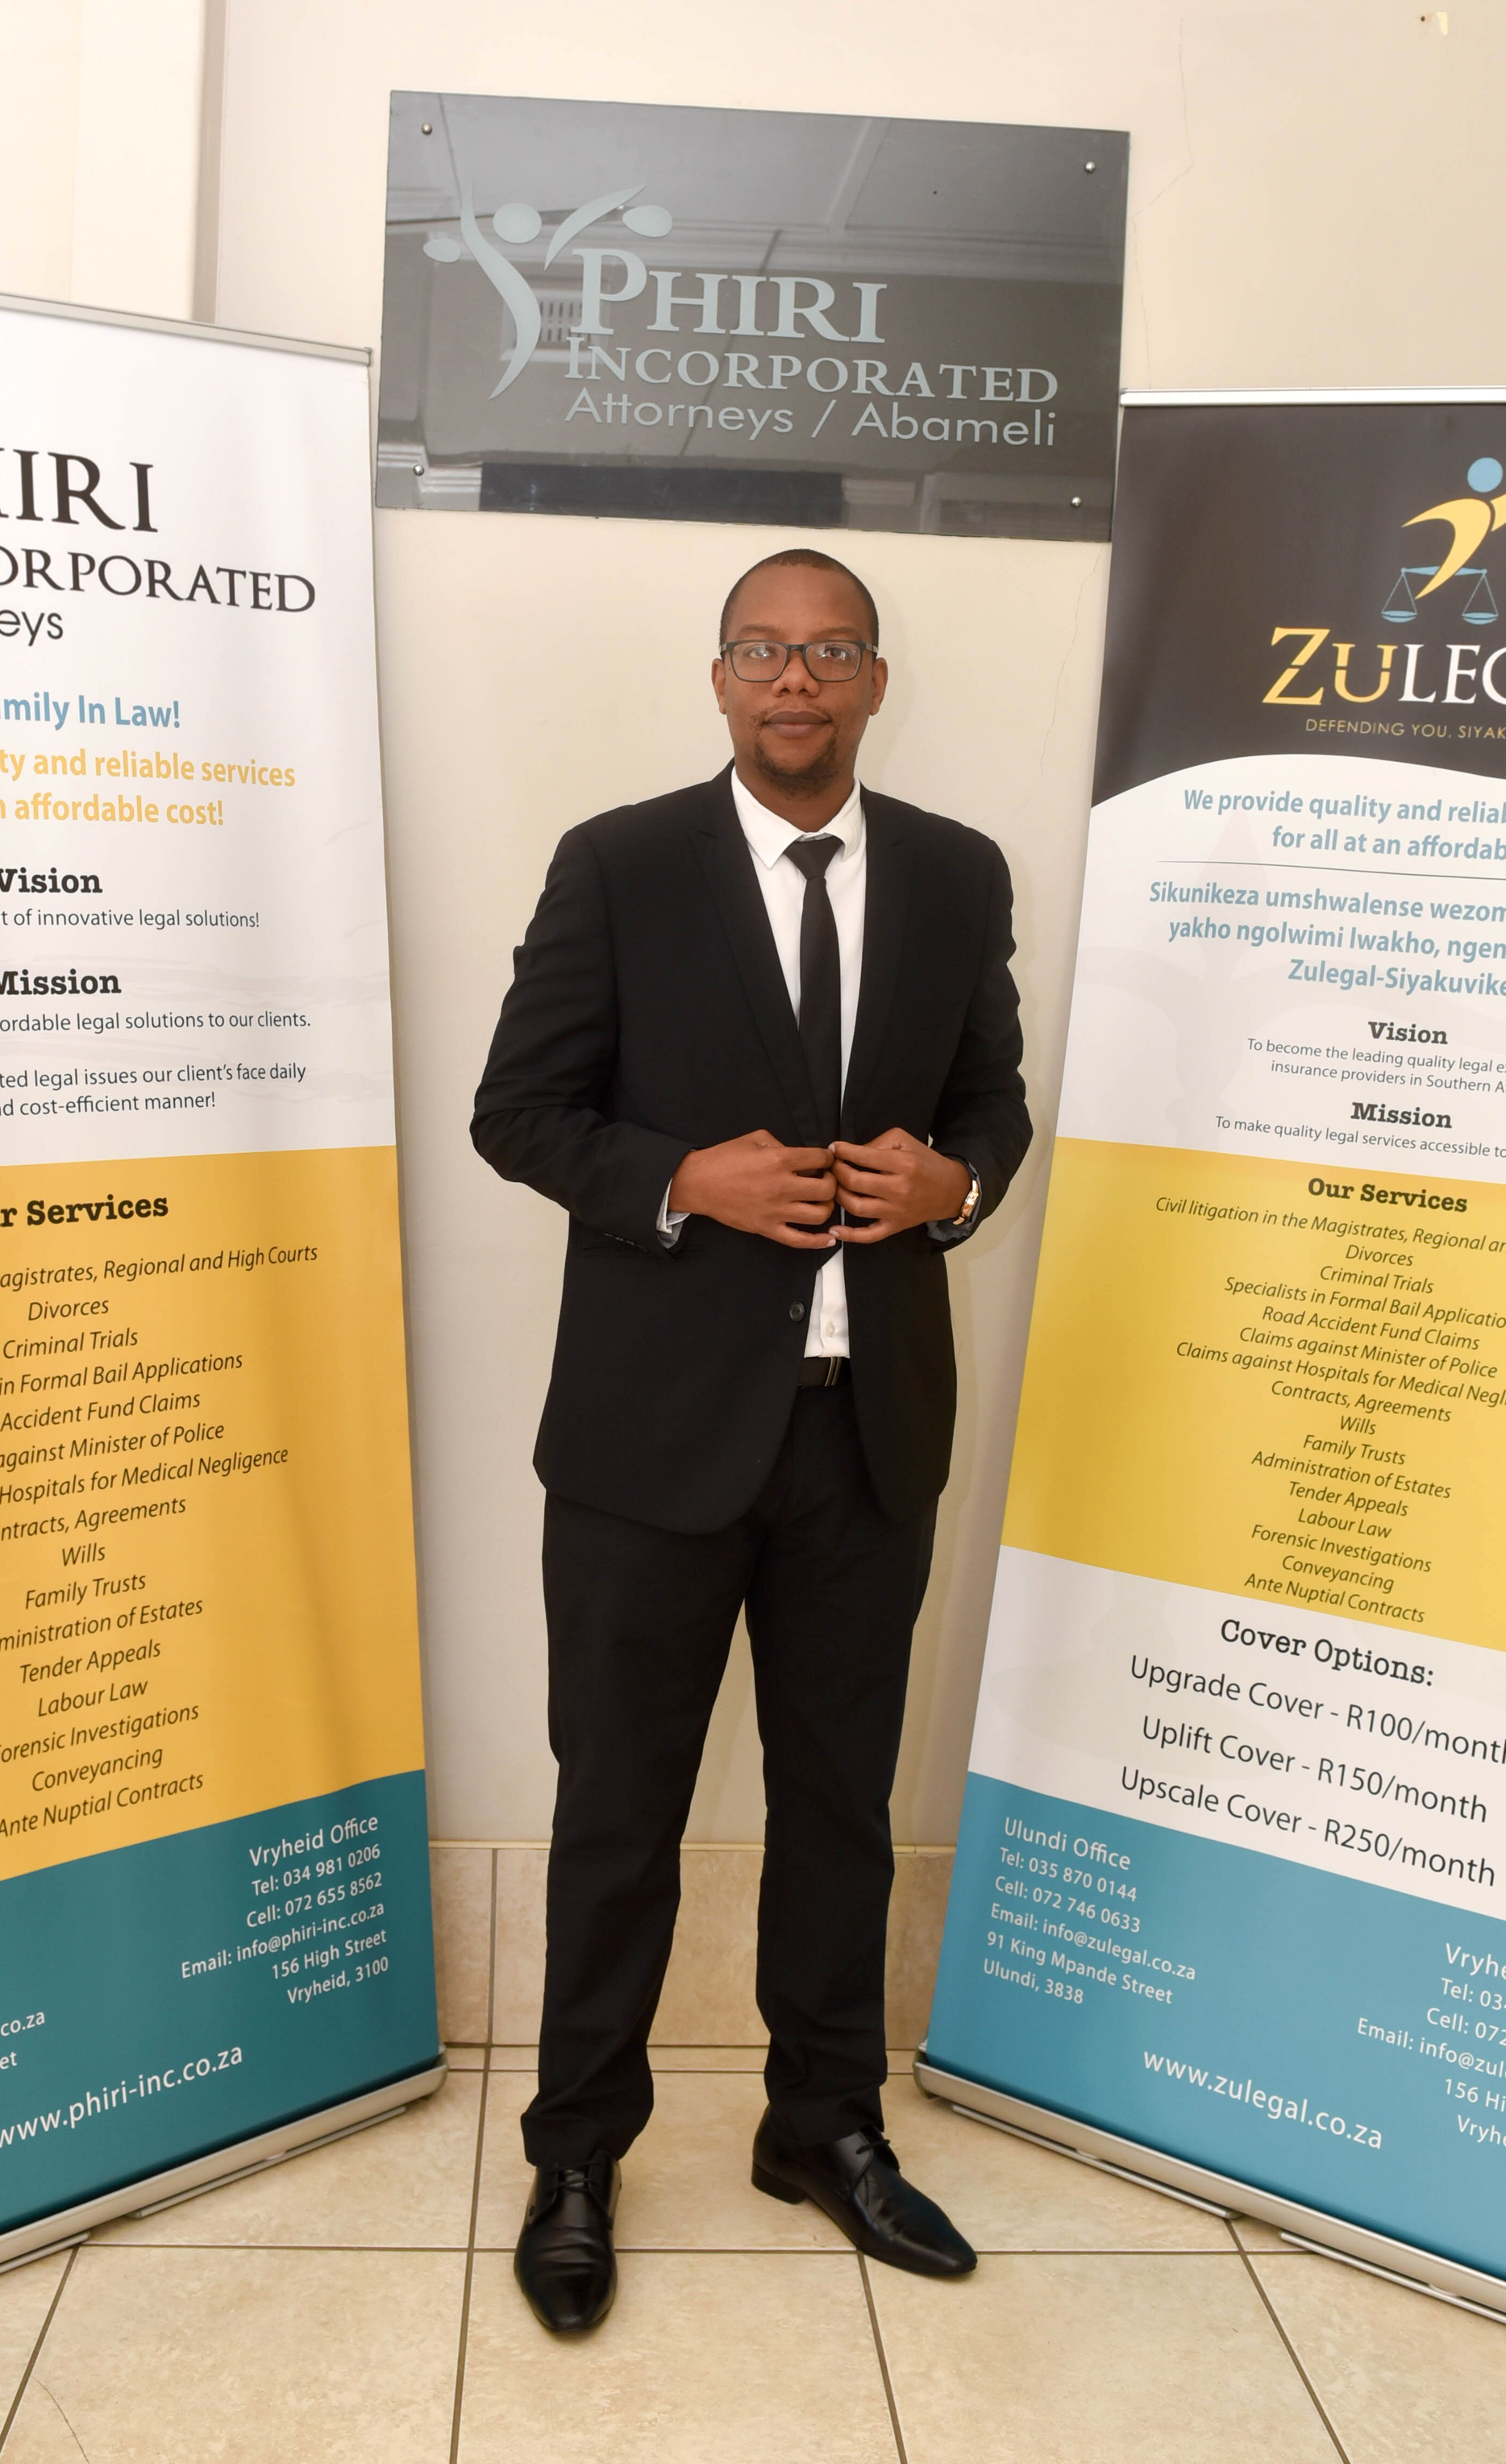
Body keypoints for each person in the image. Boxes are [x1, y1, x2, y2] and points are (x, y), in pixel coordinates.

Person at [471, 546, 1031, 2334]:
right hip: (650, 1447)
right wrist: (679, 1181)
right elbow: (518, 1111)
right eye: (764, 651)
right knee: (617, 1813)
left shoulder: (956, 872)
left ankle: (823, 2124)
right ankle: (577, 2152)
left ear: (875, 680)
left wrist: (959, 1186)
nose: (797, 680)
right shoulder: (618, 864)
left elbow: (992, 1100)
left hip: (868, 1438)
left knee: (841, 1808)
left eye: (831, 651)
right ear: (720, 678)